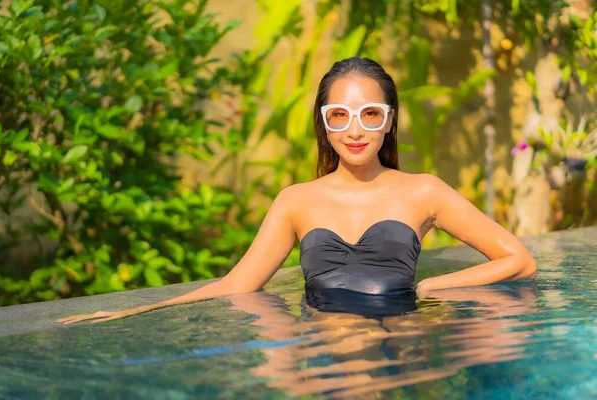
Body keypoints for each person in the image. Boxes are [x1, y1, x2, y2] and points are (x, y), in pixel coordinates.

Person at [58, 57, 538, 325]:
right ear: (324, 124)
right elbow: (236, 285)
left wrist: (434, 286)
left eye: (370, 114)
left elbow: (518, 259)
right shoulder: (295, 201)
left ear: (389, 123)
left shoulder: (424, 191)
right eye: (340, 116)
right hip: (321, 366)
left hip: (394, 364)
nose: (355, 129)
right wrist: (130, 311)